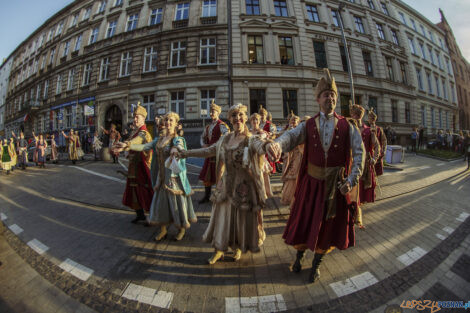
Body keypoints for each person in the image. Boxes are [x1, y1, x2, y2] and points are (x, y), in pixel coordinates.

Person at [265, 69, 365, 283]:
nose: (330, 98)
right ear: (318, 99)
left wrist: (351, 180)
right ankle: (299, 257)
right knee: (305, 223)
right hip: (311, 185)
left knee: (327, 228)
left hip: (335, 187)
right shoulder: (308, 124)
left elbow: (359, 155)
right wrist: (275, 144)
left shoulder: (349, 126)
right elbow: (290, 137)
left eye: (333, 95)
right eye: (326, 95)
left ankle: (317, 264)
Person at [180, 104, 269, 264]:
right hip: (225, 186)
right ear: (230, 119)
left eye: (240, 114)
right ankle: (219, 249)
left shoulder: (251, 139)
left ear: (246, 118)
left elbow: (260, 146)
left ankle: (238, 247)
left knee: (239, 220)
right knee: (222, 218)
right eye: (234, 115)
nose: (237, 118)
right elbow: (208, 151)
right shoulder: (225, 139)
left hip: (244, 189)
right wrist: (185, 153)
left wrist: (269, 146)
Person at [118, 112, 195, 240]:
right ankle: (163, 229)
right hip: (161, 178)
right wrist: (128, 145)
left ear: (176, 124)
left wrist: (176, 149)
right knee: (160, 204)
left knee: (177, 205)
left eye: (171, 120)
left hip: (173, 180)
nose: (168, 123)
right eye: (166, 120)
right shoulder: (158, 140)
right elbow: (144, 146)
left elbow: (180, 146)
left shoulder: (178, 139)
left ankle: (181, 229)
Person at [115, 104, 154, 224]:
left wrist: (127, 145)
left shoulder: (144, 132)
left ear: (143, 118)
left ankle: (151, 215)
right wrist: (125, 150)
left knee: (145, 191)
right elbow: (132, 143)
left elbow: (138, 141)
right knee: (133, 191)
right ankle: (140, 214)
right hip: (134, 167)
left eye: (137, 117)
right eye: (134, 117)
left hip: (142, 167)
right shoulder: (135, 131)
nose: (135, 119)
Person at [350, 105, 379, 228]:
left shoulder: (368, 130)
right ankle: (355, 215)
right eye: (353, 114)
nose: (355, 117)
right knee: (352, 191)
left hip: (364, 166)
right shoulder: (348, 129)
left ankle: (357, 217)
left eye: (357, 115)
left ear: (361, 116)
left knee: (359, 192)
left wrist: (374, 158)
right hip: (350, 164)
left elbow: (377, 146)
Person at [198, 101, 229, 204]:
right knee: (207, 176)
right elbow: (202, 137)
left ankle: (220, 195)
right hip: (209, 153)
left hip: (218, 153)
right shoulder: (208, 127)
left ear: (218, 113)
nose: (211, 113)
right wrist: (203, 145)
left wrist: (218, 145)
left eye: (213, 111)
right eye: (210, 111)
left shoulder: (222, 125)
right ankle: (207, 196)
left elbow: (227, 135)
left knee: (219, 174)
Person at [280, 114, 303, 206]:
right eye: (292, 120)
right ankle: (288, 194)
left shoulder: (300, 131)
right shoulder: (287, 131)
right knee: (287, 174)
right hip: (288, 155)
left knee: (295, 177)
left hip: (298, 155)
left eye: (295, 121)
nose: (293, 122)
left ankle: (295, 199)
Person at [368, 109, 386, 176]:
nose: (370, 120)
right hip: (369, 152)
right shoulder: (366, 128)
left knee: (376, 172)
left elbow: (384, 140)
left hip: (377, 152)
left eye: (372, 118)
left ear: (374, 119)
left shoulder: (379, 129)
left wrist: (384, 150)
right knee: (370, 172)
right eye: (370, 118)